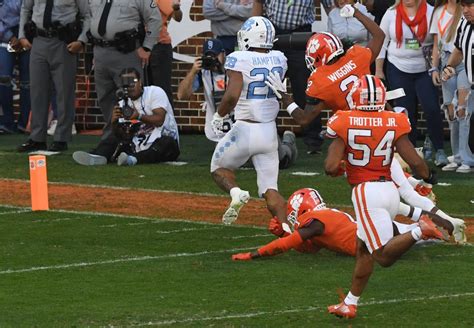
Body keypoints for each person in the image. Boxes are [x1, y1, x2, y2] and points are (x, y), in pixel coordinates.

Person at [324, 74, 446, 319]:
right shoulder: (394, 120)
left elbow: (330, 167)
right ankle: (350, 303)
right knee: (364, 249)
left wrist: (342, 166)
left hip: (365, 192)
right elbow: (414, 161)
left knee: (381, 255)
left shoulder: (344, 120)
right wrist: (428, 176)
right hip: (389, 190)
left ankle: (419, 230)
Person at [210, 16, 288, 225]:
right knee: (270, 189)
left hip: (245, 128)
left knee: (218, 168)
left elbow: (232, 95)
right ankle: (288, 230)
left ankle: (236, 193)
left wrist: (219, 115)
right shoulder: (279, 58)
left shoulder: (239, 58)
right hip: (269, 132)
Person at [177, 38, 297, 168]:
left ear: (224, 53)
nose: (212, 60)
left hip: (249, 123)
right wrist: (193, 71)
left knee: (280, 161)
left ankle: (288, 142)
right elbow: (181, 96)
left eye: (215, 55)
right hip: (225, 131)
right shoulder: (204, 73)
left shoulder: (238, 66)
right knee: (227, 163)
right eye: (208, 56)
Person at [232, 187, 434, 261]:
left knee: (385, 254)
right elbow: (310, 249)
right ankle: (424, 225)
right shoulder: (320, 219)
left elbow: (289, 245)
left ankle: (420, 229)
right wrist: (283, 234)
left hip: (370, 236)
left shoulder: (315, 221)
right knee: (419, 235)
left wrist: (254, 254)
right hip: (375, 229)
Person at [266, 4, 384, 127]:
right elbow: (379, 35)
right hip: (376, 121)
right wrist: (357, 13)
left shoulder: (319, 80)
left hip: (349, 127)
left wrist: (285, 97)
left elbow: (304, 119)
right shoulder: (357, 56)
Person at [375, 0, 449, 167]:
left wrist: (436, 67)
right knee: (404, 112)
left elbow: (439, 41)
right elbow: (382, 42)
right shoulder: (391, 13)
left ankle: (439, 149)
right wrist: (379, 69)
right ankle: (411, 151)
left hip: (425, 69)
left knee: (431, 108)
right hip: (398, 67)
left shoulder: (431, 12)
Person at [85, 0, 162, 158]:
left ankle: (133, 142)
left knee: (131, 97)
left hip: (126, 51)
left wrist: (147, 47)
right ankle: (110, 141)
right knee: (105, 98)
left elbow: (154, 19)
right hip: (100, 51)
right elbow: (89, 17)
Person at [16, 0, 90, 152]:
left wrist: (82, 40)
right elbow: (25, 9)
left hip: (63, 41)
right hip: (38, 39)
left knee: (64, 92)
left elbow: (88, 15)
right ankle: (37, 138)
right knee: (37, 91)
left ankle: (61, 138)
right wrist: (22, 35)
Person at [252, 0, 324, 155]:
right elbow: (258, 2)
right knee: (268, 88)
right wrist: (254, 34)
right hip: (273, 34)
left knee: (306, 90)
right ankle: (266, 136)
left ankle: (313, 141)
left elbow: (331, 6)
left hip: (301, 35)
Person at [72, 68, 179, 166]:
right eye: (125, 84)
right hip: (137, 145)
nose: (130, 87)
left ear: (140, 82)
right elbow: (123, 135)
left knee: (166, 143)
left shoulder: (154, 92)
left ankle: (132, 160)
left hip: (163, 144)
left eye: (132, 82)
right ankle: (99, 156)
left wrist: (139, 116)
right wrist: (114, 123)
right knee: (112, 137)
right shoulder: (123, 103)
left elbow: (160, 120)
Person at [430, 0, 472, 173]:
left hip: (465, 63)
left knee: (463, 109)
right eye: (465, 6)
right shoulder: (439, 11)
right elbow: (436, 43)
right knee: (451, 111)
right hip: (448, 59)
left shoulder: (465, 14)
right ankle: (457, 156)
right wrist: (436, 67)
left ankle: (467, 158)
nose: (466, 8)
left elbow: (461, 49)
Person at [0, 0, 30, 135]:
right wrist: (9, 36)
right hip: (4, 38)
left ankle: (24, 123)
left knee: (28, 83)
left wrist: (24, 36)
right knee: (4, 79)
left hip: (29, 38)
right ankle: (7, 122)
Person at [148, 0, 183, 106]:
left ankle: (166, 121)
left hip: (158, 46)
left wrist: (176, 8)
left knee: (161, 91)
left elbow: (178, 17)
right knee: (142, 90)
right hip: (136, 46)